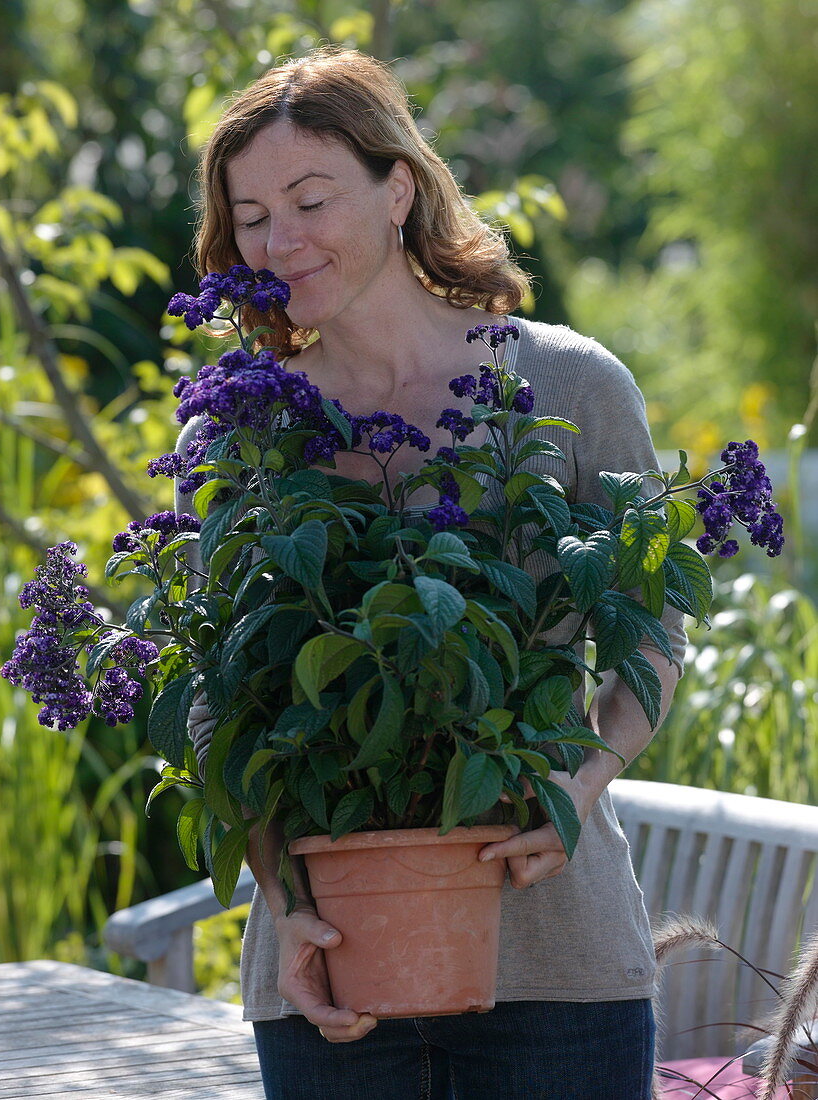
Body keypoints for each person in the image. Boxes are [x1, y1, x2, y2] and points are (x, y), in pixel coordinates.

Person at [176, 45, 686, 1100]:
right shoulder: (239, 425)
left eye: (311, 197)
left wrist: (574, 788)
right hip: (329, 982)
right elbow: (218, 695)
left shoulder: (568, 382)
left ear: (398, 186)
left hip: (556, 965)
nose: (282, 237)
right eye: (253, 213)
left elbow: (648, 637)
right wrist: (280, 899)